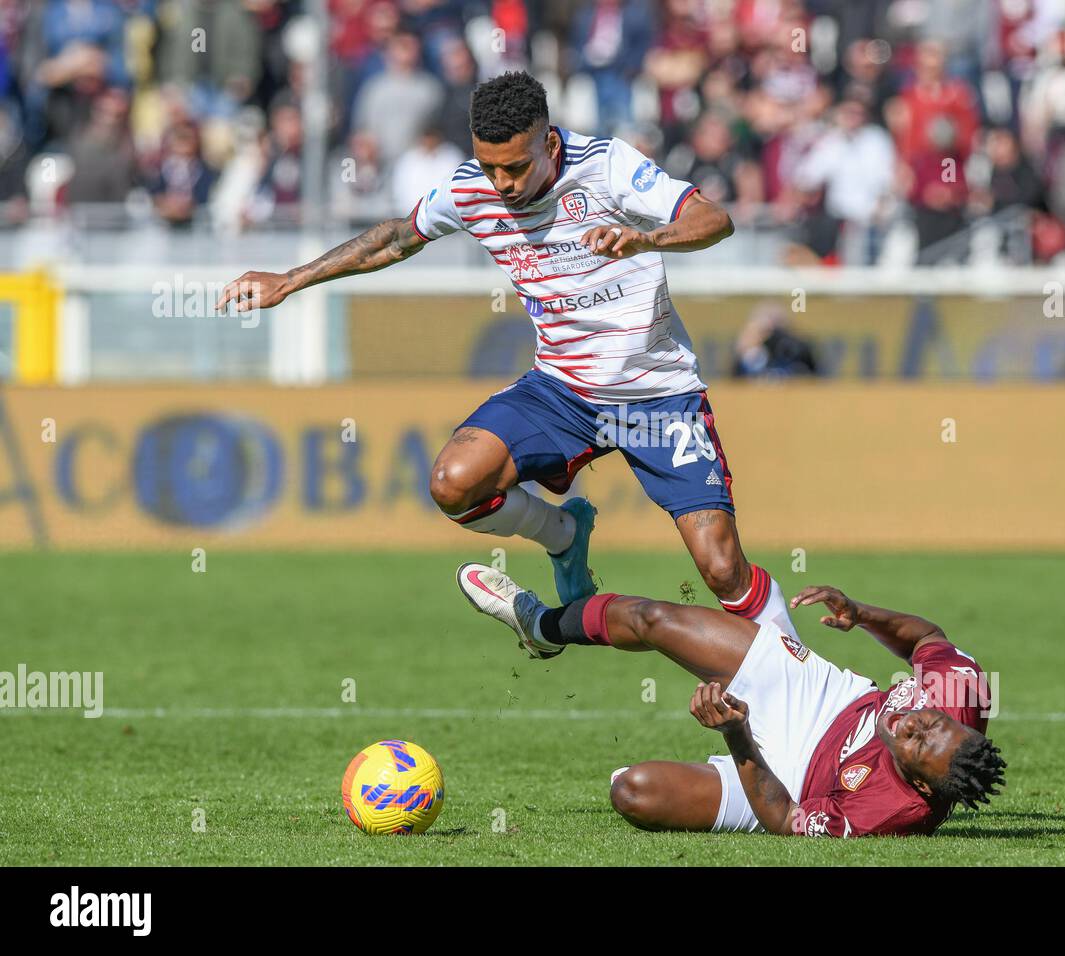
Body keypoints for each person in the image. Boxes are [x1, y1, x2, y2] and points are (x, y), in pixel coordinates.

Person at [218, 71, 797, 634]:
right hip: (562, 392)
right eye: (490, 166)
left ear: (549, 142)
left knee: (722, 570)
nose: (503, 184)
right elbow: (395, 237)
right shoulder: (471, 187)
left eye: (516, 167)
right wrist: (290, 279)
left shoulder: (608, 166)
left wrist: (647, 237)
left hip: (658, 396)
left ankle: (804, 681)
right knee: (453, 482)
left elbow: (712, 220)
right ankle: (564, 536)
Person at [455, 563, 1005, 837]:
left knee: (632, 791)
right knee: (654, 618)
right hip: (820, 696)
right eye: (930, 721)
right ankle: (541, 625)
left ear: (925, 786)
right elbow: (927, 638)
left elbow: (787, 816)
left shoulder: (890, 813)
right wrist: (862, 614)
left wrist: (737, 735)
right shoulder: (960, 691)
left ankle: (759, 605)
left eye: (914, 742)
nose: (912, 721)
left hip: (785, 777)